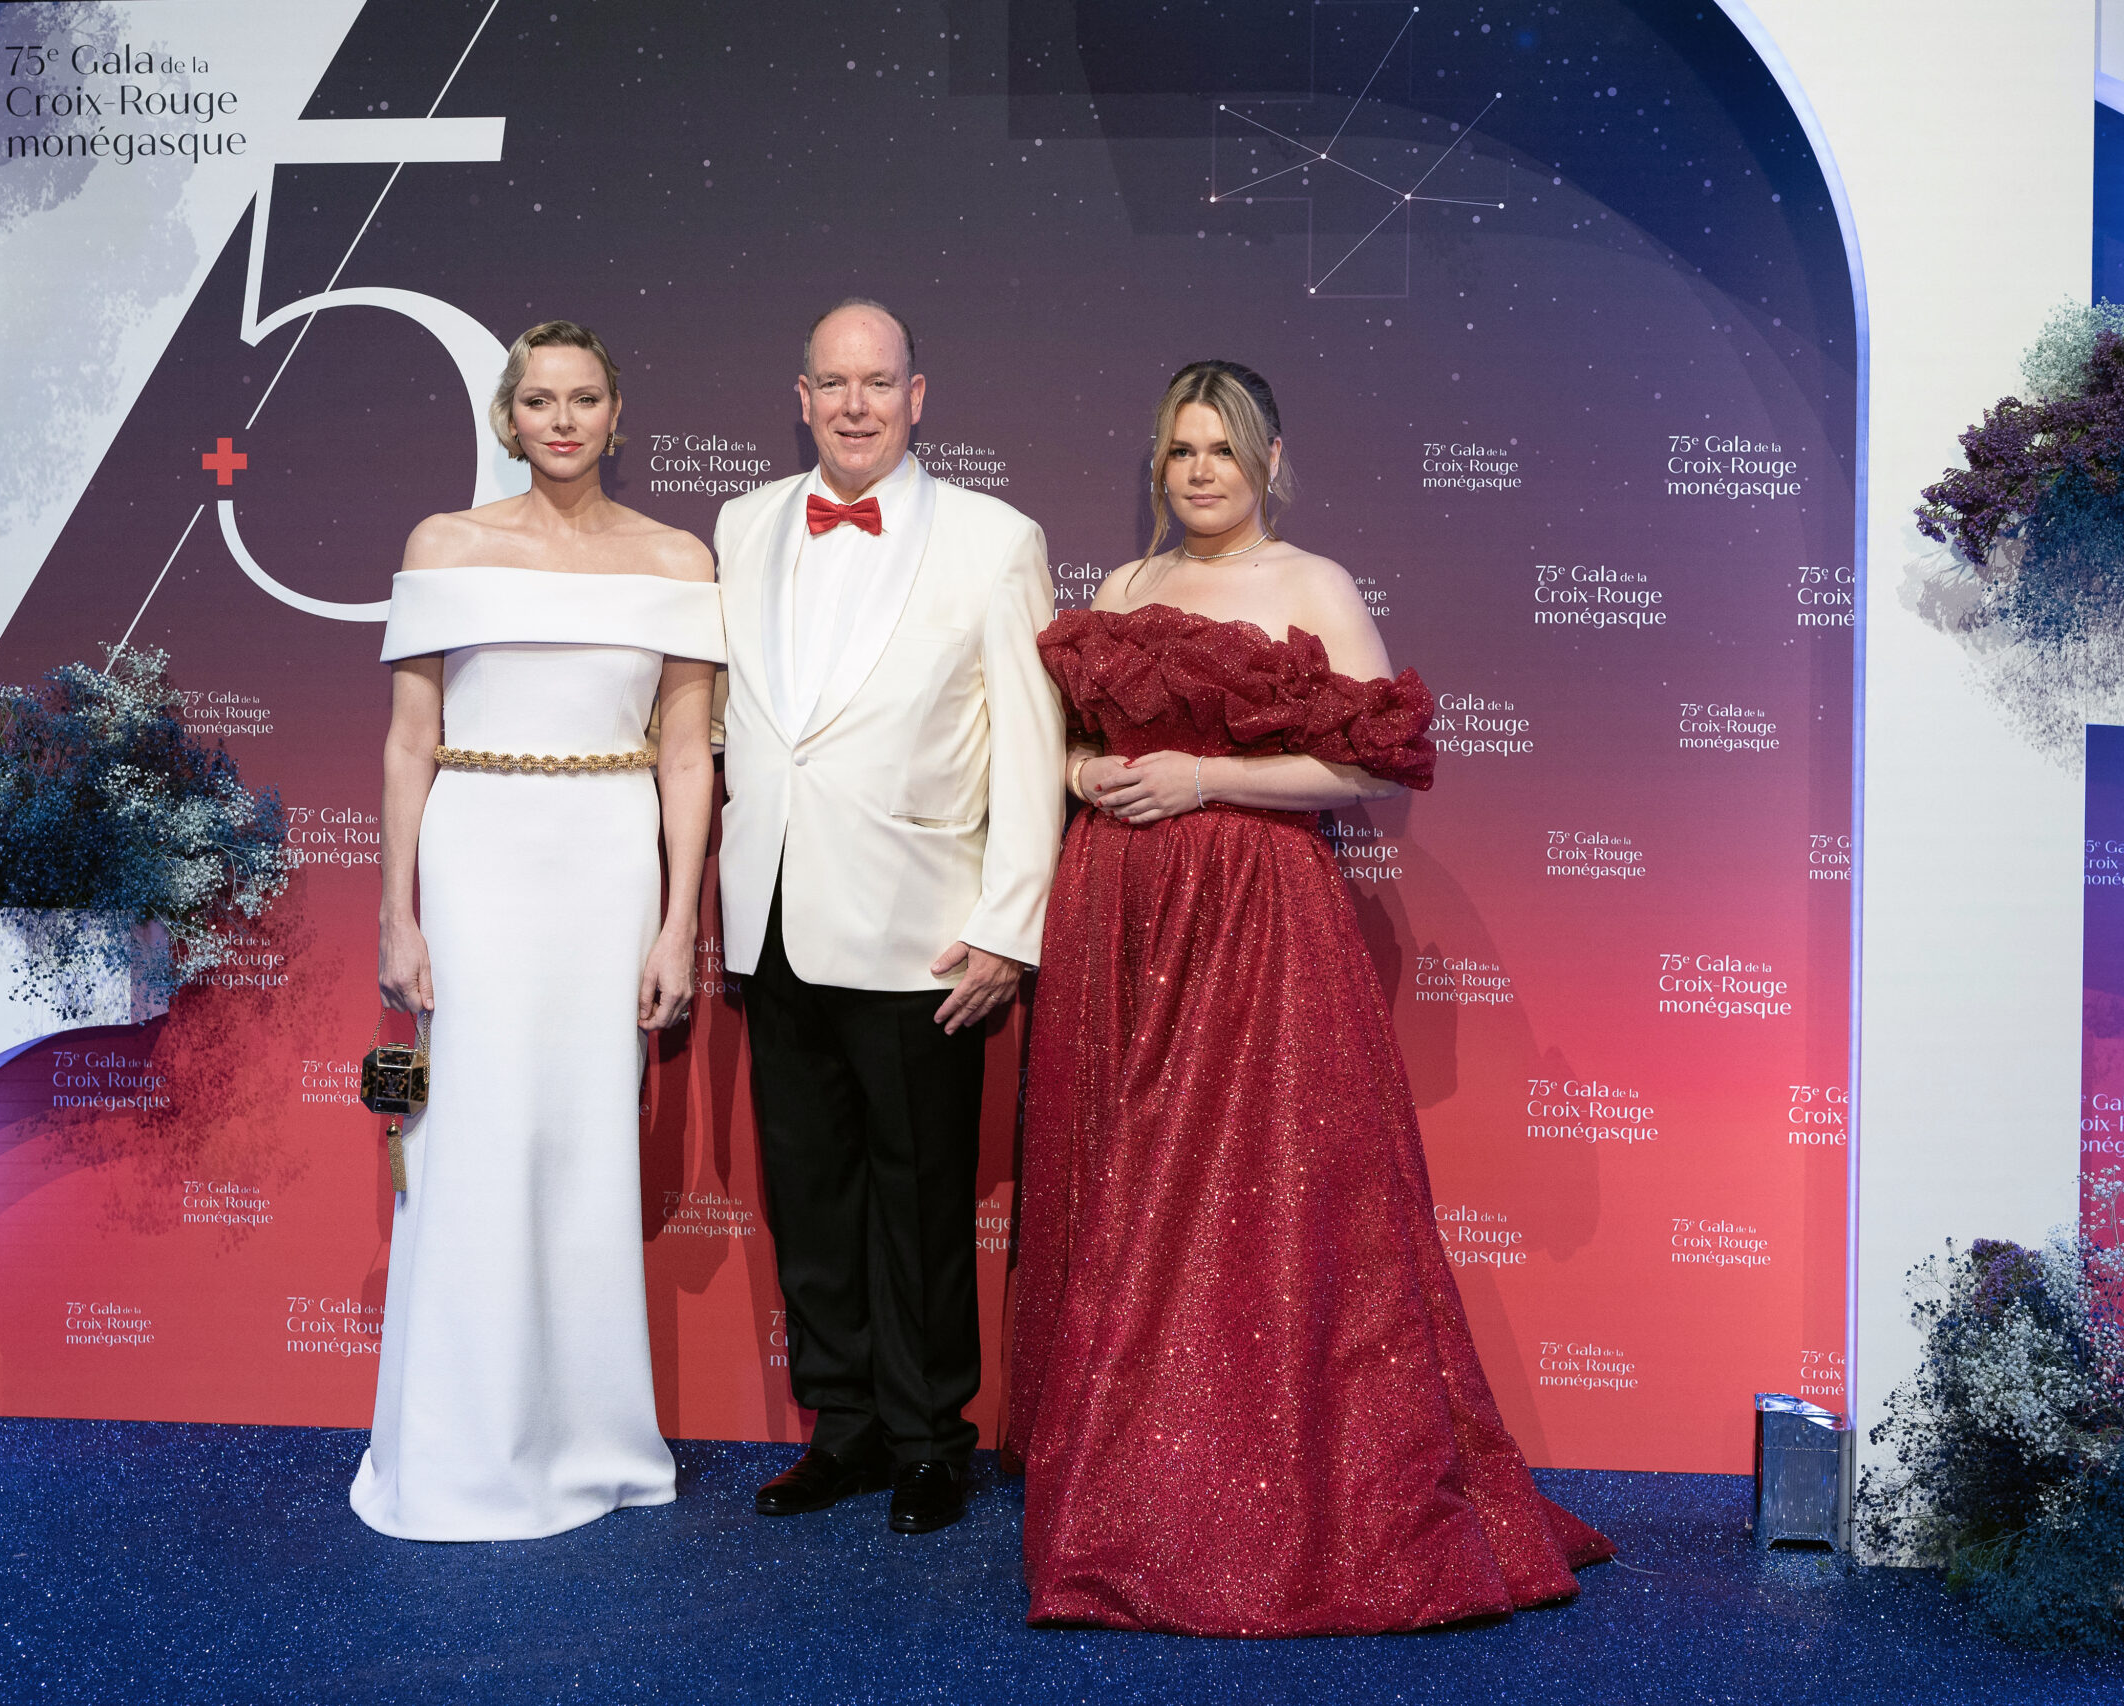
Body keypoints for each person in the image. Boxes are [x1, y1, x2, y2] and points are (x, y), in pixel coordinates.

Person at [1006, 361, 1613, 1632]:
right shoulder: (1122, 589)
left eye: (1221, 449)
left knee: (1245, 1200)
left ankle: (1265, 1495)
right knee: (1122, 1188)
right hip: (1116, 907)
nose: (1199, 472)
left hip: (1256, 919)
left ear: (1271, 460)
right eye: (1179, 450)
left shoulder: (1315, 585)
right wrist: (1090, 770)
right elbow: (1057, 734)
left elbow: (1369, 764)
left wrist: (1203, 780)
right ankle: (1128, 1483)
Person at [355, 320, 723, 1541]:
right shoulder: (443, 544)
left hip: (609, 860)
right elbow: (410, 741)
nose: (561, 421)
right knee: (463, 1136)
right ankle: (456, 1443)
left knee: (581, 1142)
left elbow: (686, 755)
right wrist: (397, 909)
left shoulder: (677, 555)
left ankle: (586, 1437)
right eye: (539, 401)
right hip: (475, 859)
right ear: (507, 419)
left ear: (620, 415)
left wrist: (678, 922)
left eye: (584, 399)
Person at [714, 299, 1066, 1534]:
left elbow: (1034, 743)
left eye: (879, 382)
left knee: (919, 1200)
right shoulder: (742, 520)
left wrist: (1009, 925)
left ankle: (929, 1436)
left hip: (921, 929)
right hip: (769, 917)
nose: (855, 404)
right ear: (799, 395)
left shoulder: (995, 538)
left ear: (919, 396)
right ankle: (846, 1425)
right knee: (808, 1193)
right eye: (832, 382)